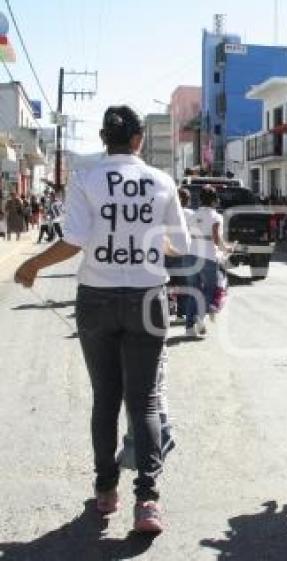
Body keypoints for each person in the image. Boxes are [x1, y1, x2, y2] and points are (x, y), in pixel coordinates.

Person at [13, 105, 190, 533]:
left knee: (106, 398)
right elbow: (180, 245)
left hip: (97, 297)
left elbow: (73, 241)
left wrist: (33, 264)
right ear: (138, 140)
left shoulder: (86, 179)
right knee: (144, 399)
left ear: (102, 139)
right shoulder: (162, 180)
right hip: (148, 296)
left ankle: (106, 489)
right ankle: (147, 500)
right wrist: (148, 244)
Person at [185, 185, 227, 337]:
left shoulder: (193, 215)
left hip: (190, 255)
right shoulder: (216, 217)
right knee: (210, 289)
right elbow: (216, 239)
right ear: (215, 200)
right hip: (208, 256)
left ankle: (189, 328)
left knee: (193, 291)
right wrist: (227, 248)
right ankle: (200, 318)